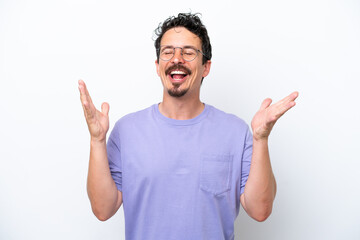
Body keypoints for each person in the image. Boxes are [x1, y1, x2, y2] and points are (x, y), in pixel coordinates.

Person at [78, 13, 298, 240]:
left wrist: (261, 139)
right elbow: (103, 210)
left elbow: (260, 210)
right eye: (168, 52)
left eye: (188, 52)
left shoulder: (236, 132)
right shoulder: (126, 131)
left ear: (206, 67)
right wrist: (97, 140)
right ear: (157, 65)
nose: (176, 59)